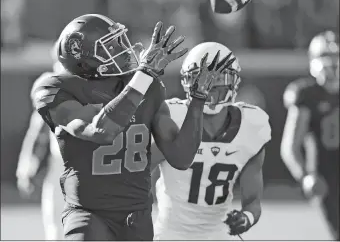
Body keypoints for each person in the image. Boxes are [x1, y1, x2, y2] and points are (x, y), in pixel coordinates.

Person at [31, 14, 230, 240]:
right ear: (83, 58)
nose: (123, 50)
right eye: (111, 46)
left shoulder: (148, 86)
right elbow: (101, 131)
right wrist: (143, 77)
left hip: (137, 217)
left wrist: (198, 99)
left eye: (120, 42)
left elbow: (181, 157)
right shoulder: (57, 88)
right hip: (89, 213)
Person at [151, 42, 271, 240]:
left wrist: (246, 218)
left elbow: (253, 201)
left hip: (218, 235)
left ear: (234, 81)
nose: (211, 87)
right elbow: (138, 177)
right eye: (203, 80)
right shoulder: (173, 117)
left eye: (219, 79)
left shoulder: (251, 126)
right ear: (187, 82)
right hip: (171, 234)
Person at [281, 31, 339, 240]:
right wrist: (305, 175)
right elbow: (290, 146)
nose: (333, 64)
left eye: (336, 57)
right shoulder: (307, 95)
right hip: (328, 179)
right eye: (327, 58)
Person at [17, 61, 65, 240]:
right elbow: (38, 134)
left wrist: (26, 168)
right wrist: (27, 166)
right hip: (63, 167)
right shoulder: (52, 88)